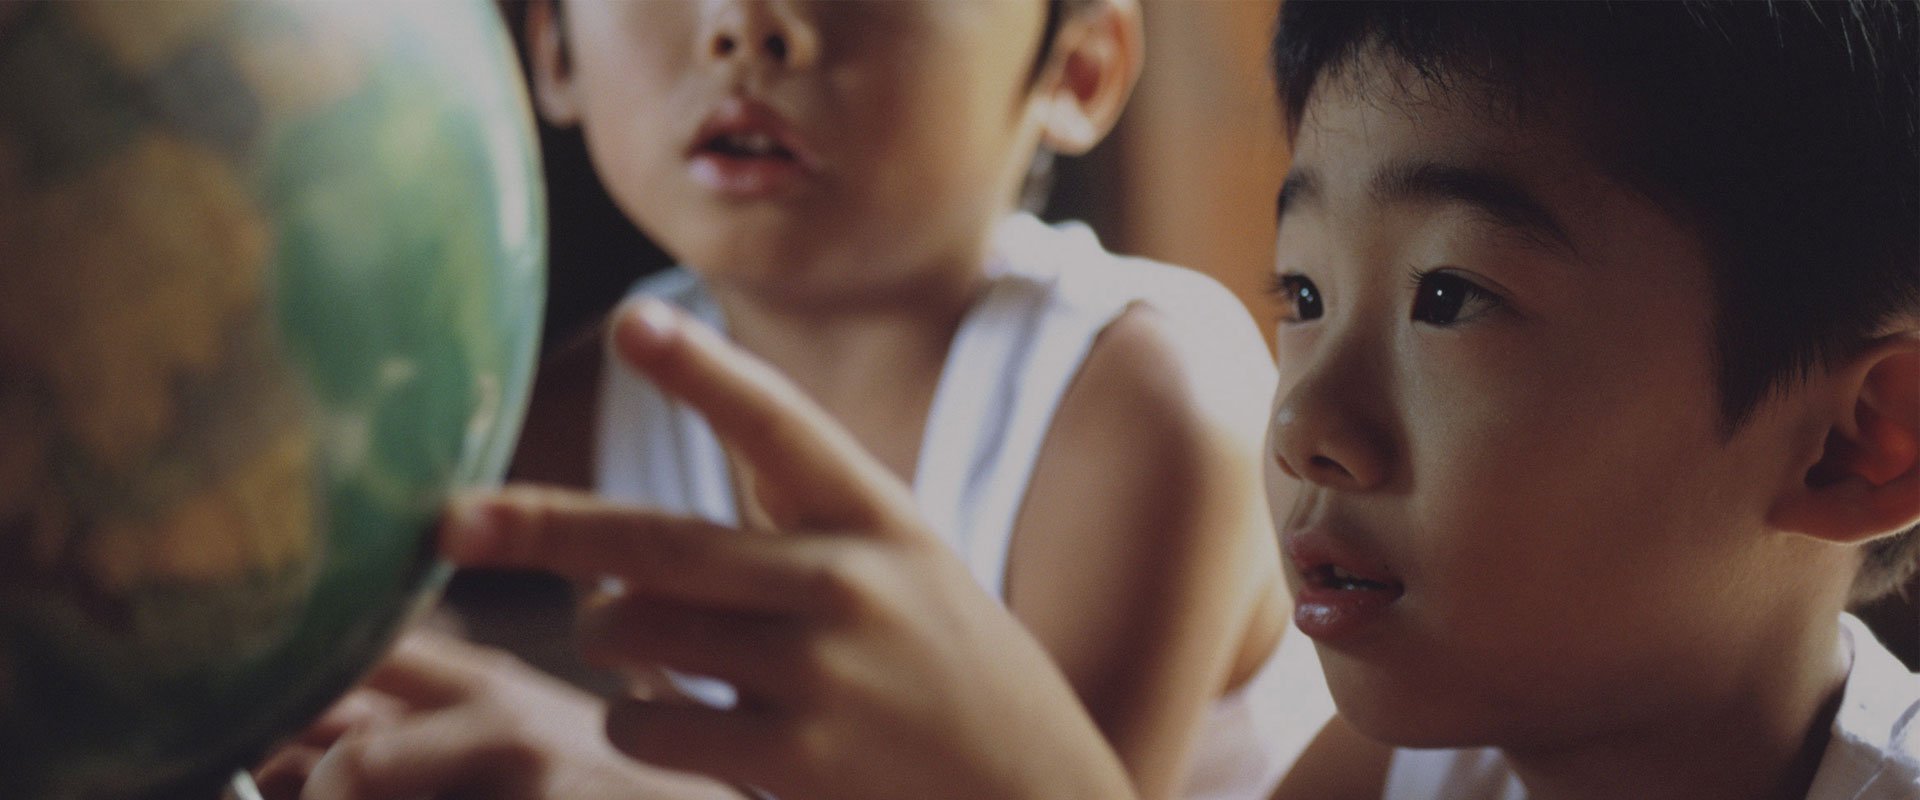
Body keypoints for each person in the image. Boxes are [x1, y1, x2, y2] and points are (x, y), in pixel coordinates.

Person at [425, 1, 1920, 798]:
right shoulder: (1437, 751)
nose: (1299, 422)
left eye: (1449, 298)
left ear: (1862, 437)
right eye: (1303, 297)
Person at [267, 1, 1327, 798]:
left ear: (1079, 70)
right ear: (554, 49)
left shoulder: (1142, 400)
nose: (745, 25)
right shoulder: (595, 393)